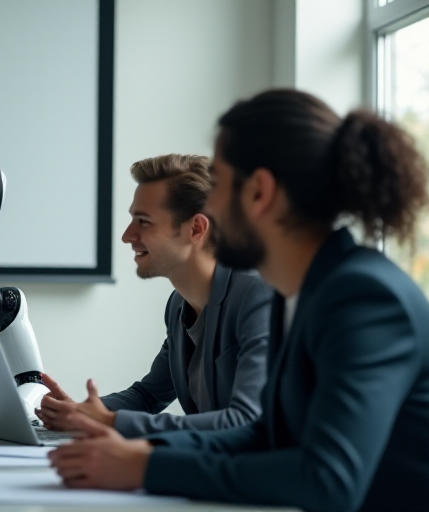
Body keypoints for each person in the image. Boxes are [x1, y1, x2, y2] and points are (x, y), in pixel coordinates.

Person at [48, 89, 429, 512]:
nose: (209, 209)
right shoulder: (301, 292)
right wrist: (142, 453)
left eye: (220, 185)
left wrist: (146, 468)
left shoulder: (363, 298)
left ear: (259, 192)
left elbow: (327, 480)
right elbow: (265, 435)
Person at [36, 155, 272, 438]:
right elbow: (147, 396)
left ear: (196, 229)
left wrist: (112, 422)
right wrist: (82, 412)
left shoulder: (257, 296)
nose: (127, 235)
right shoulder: (178, 305)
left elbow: (245, 421)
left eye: (143, 222)